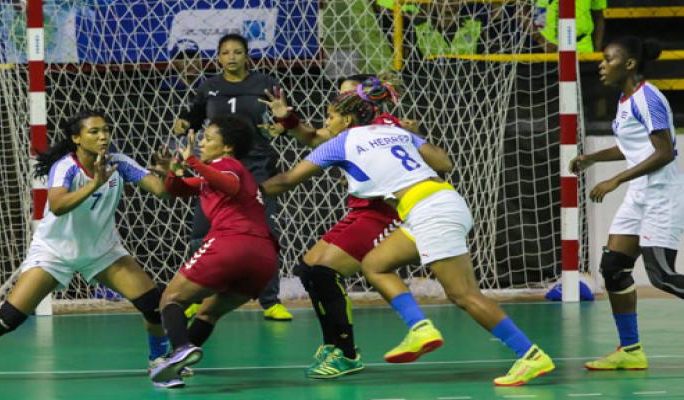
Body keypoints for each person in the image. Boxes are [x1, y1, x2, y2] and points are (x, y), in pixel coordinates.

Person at [261, 81, 555, 386]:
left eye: (330, 117)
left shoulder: (343, 141)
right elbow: (443, 162)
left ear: (347, 119)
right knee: (375, 264)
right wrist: (410, 138)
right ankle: (420, 328)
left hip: (430, 212)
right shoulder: (395, 131)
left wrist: (248, 192)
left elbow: (286, 180)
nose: (326, 123)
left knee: (463, 294)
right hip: (439, 201)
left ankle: (529, 354)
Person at [0, 110, 177, 386]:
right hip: (54, 252)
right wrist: (94, 185)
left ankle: (158, 360)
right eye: (94, 131)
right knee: (7, 319)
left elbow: (161, 191)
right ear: (76, 138)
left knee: (153, 304)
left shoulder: (119, 163)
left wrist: (168, 173)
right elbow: (57, 205)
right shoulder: (66, 167)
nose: (103, 136)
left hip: (102, 251)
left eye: (106, 130)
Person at [261, 76, 421, 379]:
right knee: (309, 269)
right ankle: (332, 345)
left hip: (386, 212)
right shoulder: (353, 131)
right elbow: (314, 137)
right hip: (361, 210)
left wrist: (246, 192)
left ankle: (347, 353)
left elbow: (307, 154)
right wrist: (287, 118)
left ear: (363, 101)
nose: (340, 98)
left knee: (326, 272)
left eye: (347, 94)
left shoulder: (385, 127)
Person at [569, 37, 684, 370]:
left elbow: (664, 152)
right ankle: (631, 350)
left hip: (661, 194)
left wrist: (615, 179)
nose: (601, 65)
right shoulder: (625, 100)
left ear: (629, 64)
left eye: (609, 59)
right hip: (639, 196)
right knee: (614, 269)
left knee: (662, 276)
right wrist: (592, 158)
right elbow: (632, 147)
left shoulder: (648, 98)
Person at [149, 115, 278, 385]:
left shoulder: (228, 165)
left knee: (170, 299)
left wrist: (192, 162)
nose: (201, 144)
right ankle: (176, 366)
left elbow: (229, 184)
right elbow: (176, 189)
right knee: (208, 312)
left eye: (208, 139)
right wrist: (173, 169)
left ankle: (181, 349)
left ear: (227, 146)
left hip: (232, 244)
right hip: (263, 257)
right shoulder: (217, 176)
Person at [172, 33, 291, 321]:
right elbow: (193, 118)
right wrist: (183, 123)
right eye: (226, 52)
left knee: (264, 231)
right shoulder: (209, 88)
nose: (232, 57)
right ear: (218, 57)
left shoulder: (265, 84)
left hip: (255, 166)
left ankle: (270, 301)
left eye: (238, 52)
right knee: (200, 232)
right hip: (218, 167)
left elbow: (284, 119)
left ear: (247, 55)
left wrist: (280, 126)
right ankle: (196, 297)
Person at [531, 0, 605, 53]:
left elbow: (598, 15)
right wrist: (541, 40)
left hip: (582, 48)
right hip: (543, 48)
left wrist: (597, 52)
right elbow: (524, 12)